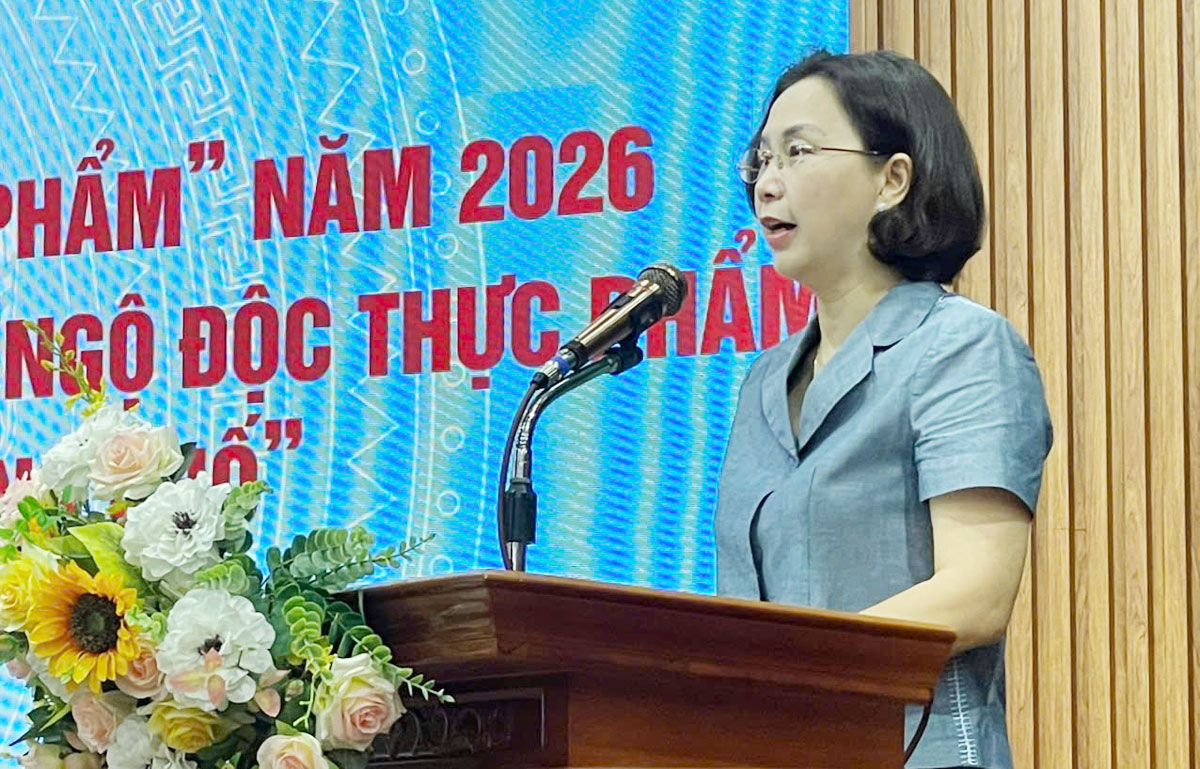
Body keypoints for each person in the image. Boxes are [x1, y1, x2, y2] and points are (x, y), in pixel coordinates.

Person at [714, 50, 1053, 769]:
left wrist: (785, 668)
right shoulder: (762, 381)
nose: (767, 182)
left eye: (798, 152)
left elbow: (977, 593)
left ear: (892, 180)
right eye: (762, 159)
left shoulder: (960, 346)